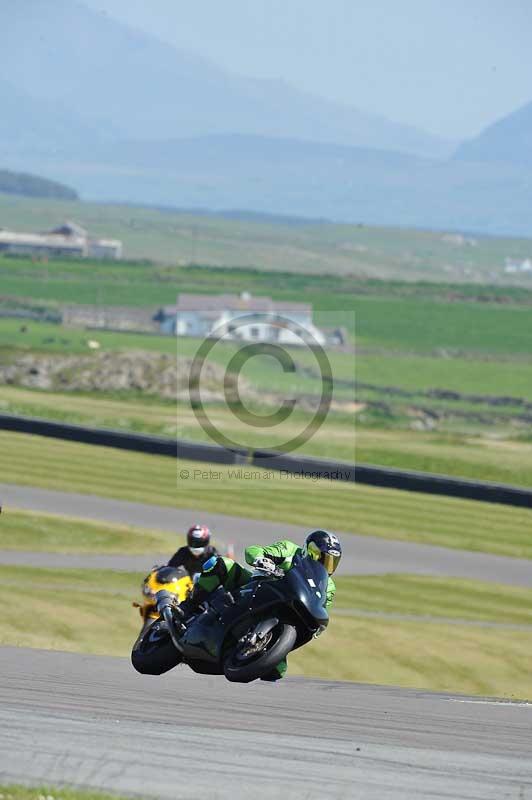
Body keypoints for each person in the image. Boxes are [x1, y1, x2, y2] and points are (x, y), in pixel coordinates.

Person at [184, 529, 342, 681]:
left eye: (331, 561)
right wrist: (261, 559)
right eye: (322, 557)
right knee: (221, 564)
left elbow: (322, 605)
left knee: (277, 672)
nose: (326, 564)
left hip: (288, 608)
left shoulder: (329, 585)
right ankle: (188, 606)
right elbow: (253, 550)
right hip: (256, 587)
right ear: (309, 550)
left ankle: (240, 650)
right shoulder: (290, 550)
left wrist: (318, 625)